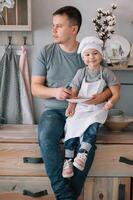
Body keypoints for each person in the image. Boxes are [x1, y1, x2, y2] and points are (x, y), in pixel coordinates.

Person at [31, 6, 116, 200]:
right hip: (54, 113)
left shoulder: (90, 54)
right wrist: (55, 92)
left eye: (58, 26)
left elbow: (110, 87)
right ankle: (65, 195)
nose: (53, 30)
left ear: (74, 29)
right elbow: (35, 88)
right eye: (53, 26)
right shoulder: (46, 52)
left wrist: (99, 99)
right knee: (46, 138)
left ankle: (67, 196)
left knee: (86, 147)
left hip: (84, 113)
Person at [62, 36, 120, 178]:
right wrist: (71, 106)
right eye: (87, 55)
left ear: (101, 55)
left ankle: (82, 154)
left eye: (95, 53)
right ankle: (68, 160)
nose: (91, 58)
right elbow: (74, 92)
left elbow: (116, 93)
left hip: (98, 108)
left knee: (93, 125)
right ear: (83, 58)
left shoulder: (106, 73)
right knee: (71, 125)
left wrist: (110, 103)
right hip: (81, 107)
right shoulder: (81, 73)